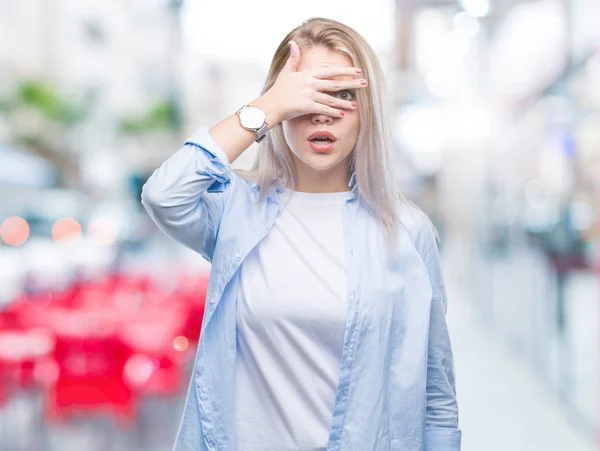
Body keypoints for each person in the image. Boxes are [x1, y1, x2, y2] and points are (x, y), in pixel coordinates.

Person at [141, 17, 461, 451]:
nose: (322, 110)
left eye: (343, 93)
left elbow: (437, 393)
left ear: (368, 110)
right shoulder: (234, 211)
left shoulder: (406, 230)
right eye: (305, 92)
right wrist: (265, 109)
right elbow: (164, 195)